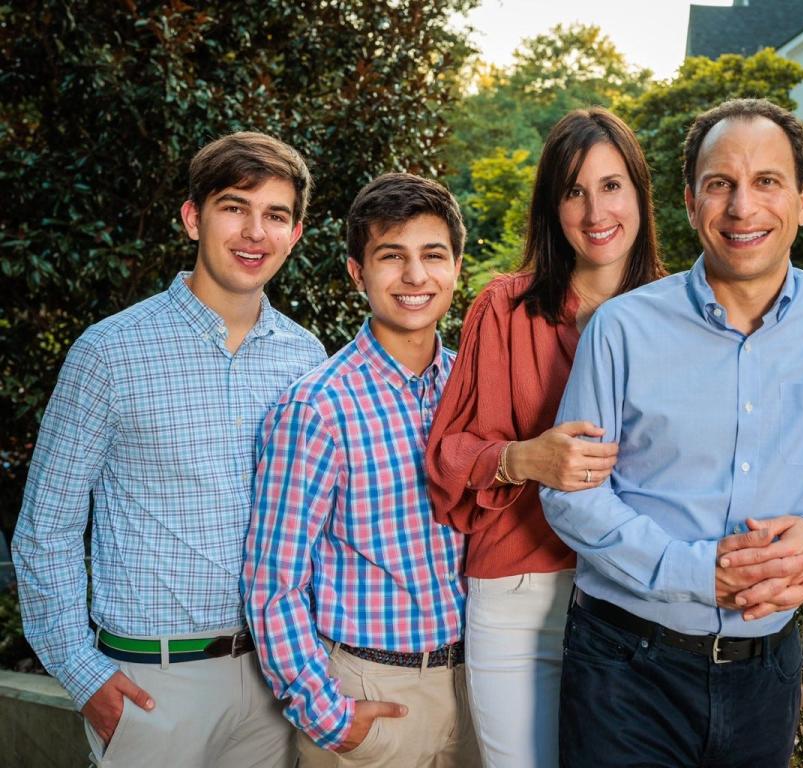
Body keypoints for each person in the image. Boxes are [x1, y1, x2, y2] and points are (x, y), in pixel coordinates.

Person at [540, 97, 803, 768]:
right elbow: (570, 494)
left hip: (766, 674)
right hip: (624, 671)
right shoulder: (621, 328)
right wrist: (700, 572)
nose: (741, 206)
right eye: (719, 183)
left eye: (767, 182)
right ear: (691, 199)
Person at [13, 131, 327, 767]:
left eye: (275, 215)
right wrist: (82, 672)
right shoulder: (109, 353)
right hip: (152, 687)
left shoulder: (307, 358)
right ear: (193, 218)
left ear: (295, 234)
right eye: (235, 207)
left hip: (276, 679)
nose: (254, 233)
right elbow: (45, 528)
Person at [426, 107, 666, 768]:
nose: (596, 211)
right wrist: (519, 458)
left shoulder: (680, 316)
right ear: (551, 207)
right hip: (519, 598)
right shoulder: (502, 308)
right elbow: (448, 455)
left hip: (637, 601)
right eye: (574, 191)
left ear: (640, 196)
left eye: (612, 186)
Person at [242, 173, 481, 768]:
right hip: (373, 695)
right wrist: (327, 714)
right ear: (357, 272)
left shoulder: (475, 390)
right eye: (391, 256)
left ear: (457, 267)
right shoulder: (317, 406)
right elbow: (274, 582)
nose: (415, 276)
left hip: (478, 688)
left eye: (433, 255)